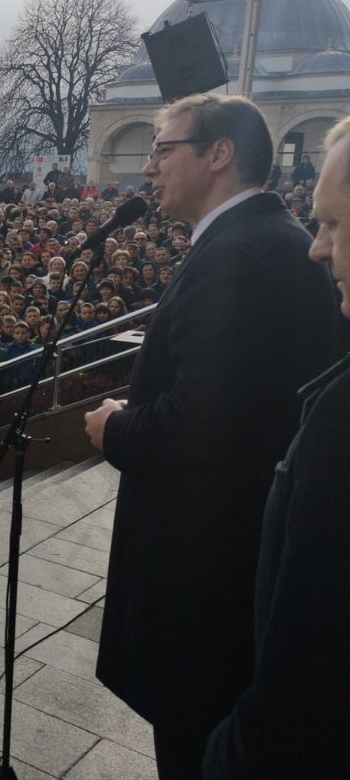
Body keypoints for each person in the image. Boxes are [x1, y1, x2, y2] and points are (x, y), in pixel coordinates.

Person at [83, 94, 339, 780]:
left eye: (164, 150)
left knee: (195, 749)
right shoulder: (263, 238)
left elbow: (202, 423)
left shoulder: (239, 255)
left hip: (207, 585)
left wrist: (114, 429)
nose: (149, 169)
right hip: (232, 563)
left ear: (219, 154)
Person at [203, 115, 350, 778]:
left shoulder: (340, 428)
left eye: (337, 225)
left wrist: (224, 758)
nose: (319, 249)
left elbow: (306, 677)